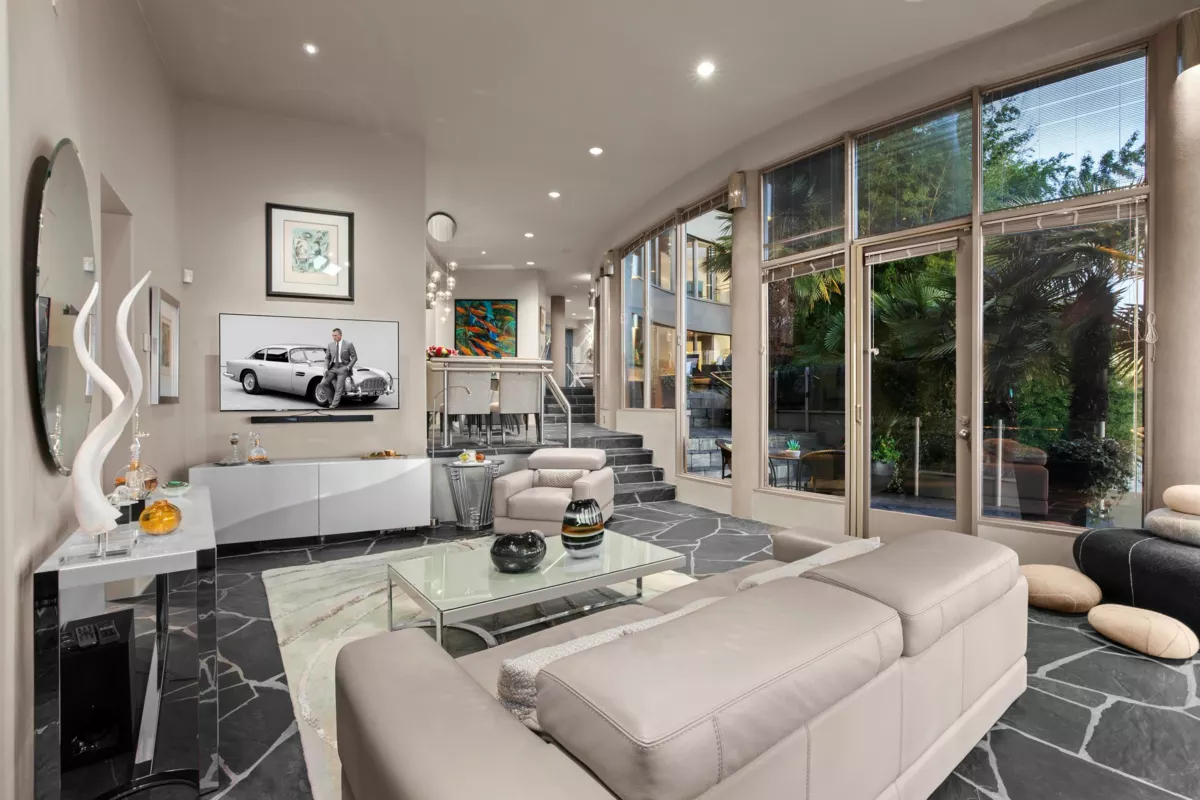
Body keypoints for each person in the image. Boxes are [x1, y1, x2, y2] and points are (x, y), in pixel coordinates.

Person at [322, 327, 357, 408]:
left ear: (340, 335)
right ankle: (331, 401)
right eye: (333, 335)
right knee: (323, 383)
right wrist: (325, 368)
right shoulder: (330, 345)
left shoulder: (348, 344)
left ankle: (334, 405)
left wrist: (348, 367)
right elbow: (327, 358)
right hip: (333, 368)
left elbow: (354, 357)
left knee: (339, 387)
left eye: (335, 335)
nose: (334, 337)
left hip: (343, 368)